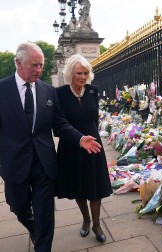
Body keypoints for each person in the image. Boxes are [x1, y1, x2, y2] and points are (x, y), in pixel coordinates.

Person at [0, 42, 102, 251]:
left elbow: (60, 123)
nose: (39, 70)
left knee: (45, 212)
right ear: (18, 63)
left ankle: (43, 244)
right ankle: (35, 228)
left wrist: (80, 138)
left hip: (44, 163)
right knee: (18, 206)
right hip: (14, 163)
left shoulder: (48, 91)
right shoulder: (2, 90)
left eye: (41, 65)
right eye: (33, 65)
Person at [56, 54, 112, 243]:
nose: (82, 76)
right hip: (71, 147)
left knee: (95, 187)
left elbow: (93, 118)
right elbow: (59, 123)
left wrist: (92, 136)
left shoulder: (92, 91)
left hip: (93, 145)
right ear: (70, 73)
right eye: (79, 72)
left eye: (85, 73)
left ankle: (96, 224)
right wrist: (78, 138)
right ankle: (86, 220)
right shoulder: (60, 94)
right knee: (79, 187)